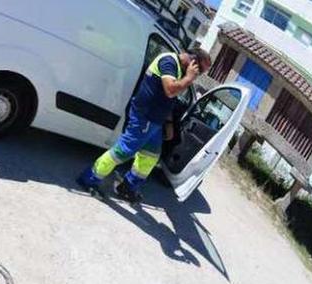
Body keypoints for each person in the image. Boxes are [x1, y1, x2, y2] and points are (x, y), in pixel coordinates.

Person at [77, 47, 212, 203]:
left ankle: (127, 187)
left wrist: (168, 123)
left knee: (150, 157)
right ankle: (89, 178)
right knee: (123, 151)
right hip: (144, 117)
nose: (198, 74)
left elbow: (168, 99)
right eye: (200, 69)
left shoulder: (181, 71)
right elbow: (170, 90)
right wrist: (189, 78)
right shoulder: (168, 62)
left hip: (156, 121)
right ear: (193, 60)